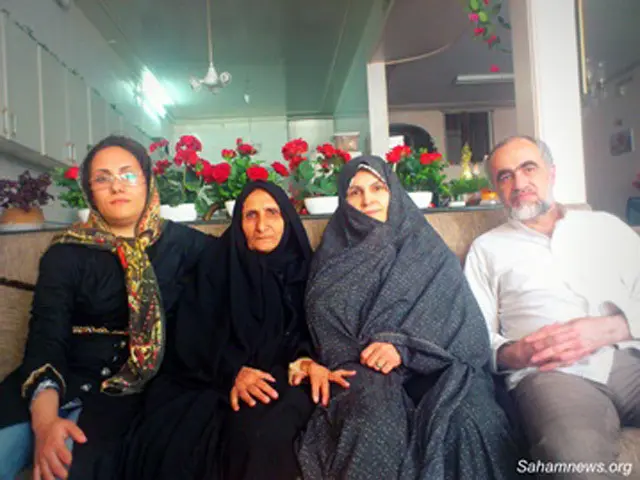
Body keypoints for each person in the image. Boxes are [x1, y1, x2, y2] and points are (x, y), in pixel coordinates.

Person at [0, 135, 213, 480]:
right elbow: (46, 337)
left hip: (128, 393)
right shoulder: (66, 252)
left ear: (148, 180)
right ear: (90, 190)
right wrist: (45, 422)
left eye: (128, 174)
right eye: (102, 178)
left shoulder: (188, 247)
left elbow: (244, 266)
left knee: (69, 465)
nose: (117, 186)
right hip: (54, 380)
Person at [297, 155, 519, 480]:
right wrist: (370, 353)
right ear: (344, 200)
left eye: (378, 188)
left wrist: (402, 347)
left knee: (471, 417)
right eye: (355, 192)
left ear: (394, 193)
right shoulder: (332, 258)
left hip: (437, 364)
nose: (368, 199)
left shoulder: (427, 248)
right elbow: (327, 328)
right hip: (366, 369)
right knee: (372, 418)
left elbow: (464, 325)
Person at [119, 181, 352, 480]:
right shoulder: (217, 265)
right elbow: (192, 336)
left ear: (287, 219)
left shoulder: (309, 270)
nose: (262, 226)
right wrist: (232, 372)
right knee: (180, 443)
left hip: (286, 376)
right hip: (214, 376)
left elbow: (318, 329)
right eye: (250, 215)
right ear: (239, 223)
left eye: (272, 213)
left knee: (261, 432)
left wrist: (305, 360)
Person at [464, 135, 640, 479]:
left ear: (552, 173)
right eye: (505, 176)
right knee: (574, 461)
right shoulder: (487, 249)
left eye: (529, 168)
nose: (519, 183)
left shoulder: (605, 227)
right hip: (553, 376)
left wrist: (610, 328)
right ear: (496, 189)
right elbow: (473, 336)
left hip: (630, 358)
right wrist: (517, 353)